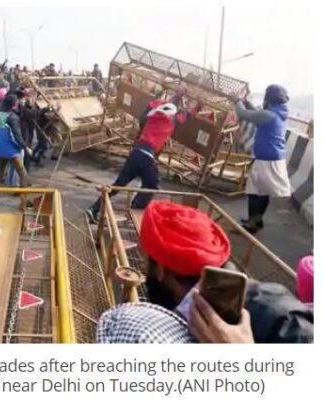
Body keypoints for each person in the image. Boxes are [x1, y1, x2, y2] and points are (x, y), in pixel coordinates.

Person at [140, 200, 313, 343]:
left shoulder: (281, 319)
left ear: (160, 270)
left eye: (145, 260)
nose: (142, 267)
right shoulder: (193, 310)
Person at [86, 94, 200, 223]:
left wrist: (175, 95)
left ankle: (94, 208)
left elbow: (150, 108)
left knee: (119, 184)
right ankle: (136, 209)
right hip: (147, 155)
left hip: (136, 152)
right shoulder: (172, 120)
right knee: (152, 184)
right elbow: (186, 115)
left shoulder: (152, 116)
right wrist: (198, 107)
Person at [233, 85, 292, 234]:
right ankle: (255, 221)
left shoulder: (269, 115)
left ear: (268, 98)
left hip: (266, 160)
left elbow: (244, 114)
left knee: (255, 191)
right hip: (273, 159)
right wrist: (245, 101)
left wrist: (237, 100)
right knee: (261, 191)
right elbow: (257, 113)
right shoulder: (278, 113)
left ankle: (252, 224)